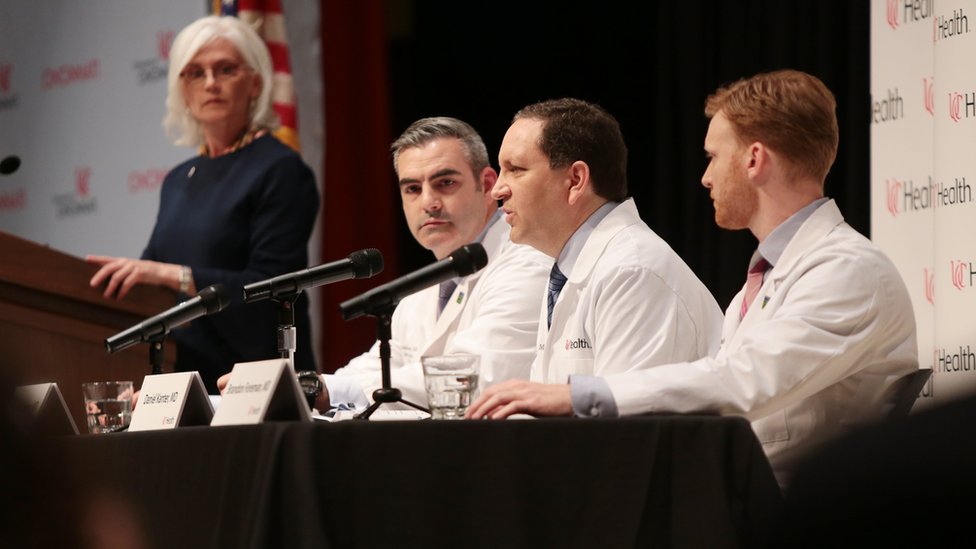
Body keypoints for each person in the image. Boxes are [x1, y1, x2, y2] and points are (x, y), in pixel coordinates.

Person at [467, 71, 919, 488]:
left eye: (713, 157)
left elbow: (743, 383)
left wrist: (575, 396)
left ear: (754, 159)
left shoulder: (847, 268)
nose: (704, 178)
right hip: (745, 505)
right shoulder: (767, 278)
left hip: (802, 515)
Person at [219, 117, 551, 411]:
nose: (429, 203)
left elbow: (470, 376)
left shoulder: (526, 261)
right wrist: (301, 384)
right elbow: (380, 365)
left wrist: (323, 390)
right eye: (412, 188)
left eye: (445, 183)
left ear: (488, 185)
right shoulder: (426, 287)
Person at [87, 16, 319, 391]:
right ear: (181, 89)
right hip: (184, 379)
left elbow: (274, 290)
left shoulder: (280, 169)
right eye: (195, 73)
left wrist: (174, 275)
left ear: (255, 83)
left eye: (225, 69)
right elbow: (149, 284)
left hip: (256, 383)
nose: (210, 83)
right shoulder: (178, 180)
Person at [471, 97, 723, 414]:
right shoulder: (569, 269)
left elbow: (629, 435)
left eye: (516, 170)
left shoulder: (633, 270)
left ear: (576, 180)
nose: (498, 190)